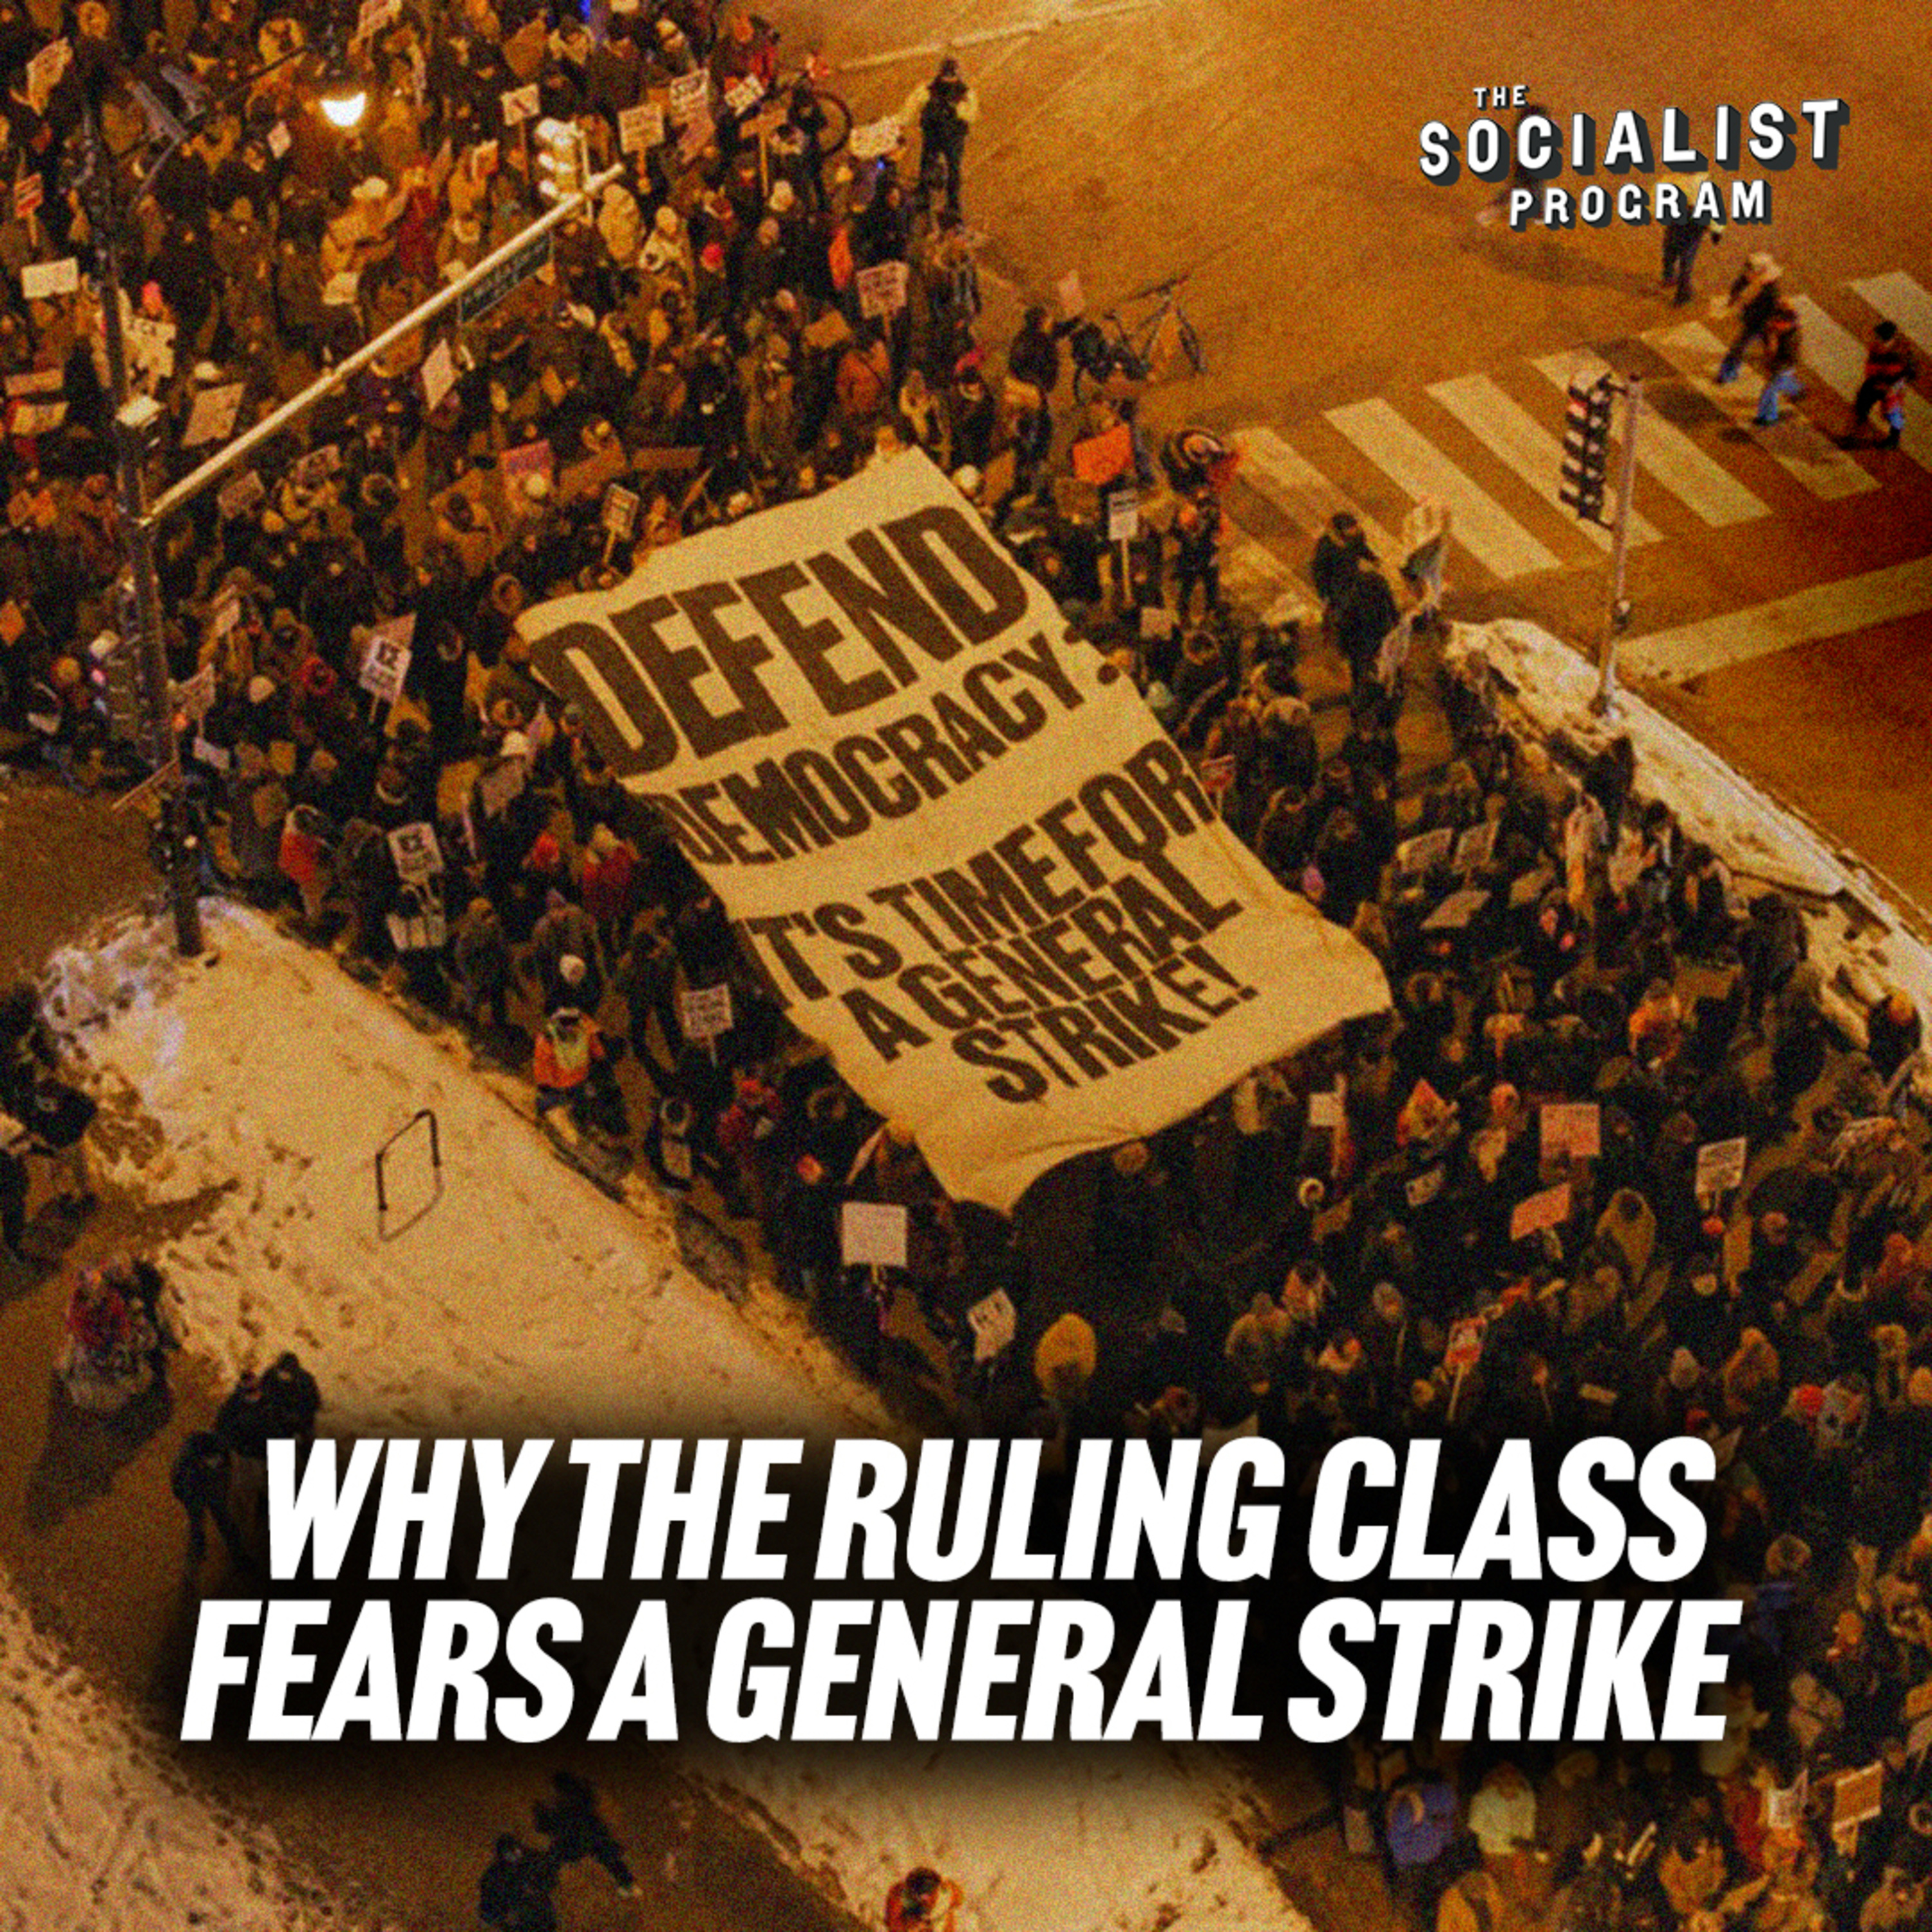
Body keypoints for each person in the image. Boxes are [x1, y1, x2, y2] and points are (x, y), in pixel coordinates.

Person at [533, 1771, 637, 1899]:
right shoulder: (579, 1798)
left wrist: (542, 1813)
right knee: (608, 1857)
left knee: (553, 1859)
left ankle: (538, 1887)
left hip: (577, 1836)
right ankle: (628, 1884)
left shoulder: (563, 1803)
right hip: (586, 1834)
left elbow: (545, 1827)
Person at [171, 1430, 253, 1574]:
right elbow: (181, 1488)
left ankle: (238, 1557)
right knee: (201, 1522)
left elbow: (225, 1473)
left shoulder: (219, 1451)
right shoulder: (186, 1471)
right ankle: (198, 1551)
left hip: (205, 1486)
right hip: (193, 1491)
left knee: (223, 1523)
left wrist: (221, 1494)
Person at [903, 57, 976, 217]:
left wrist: (902, 121)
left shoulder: (929, 89)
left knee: (933, 165)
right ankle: (950, 203)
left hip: (938, 135)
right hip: (949, 136)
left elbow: (911, 107)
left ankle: (930, 197)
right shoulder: (964, 93)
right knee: (950, 169)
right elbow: (971, 116)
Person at [1844, 319, 1916, 449]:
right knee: (1861, 406)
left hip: (1891, 387)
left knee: (1892, 413)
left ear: (1887, 340)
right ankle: (1855, 434)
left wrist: (1892, 388)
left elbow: (1908, 374)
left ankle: (1894, 439)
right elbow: (1872, 364)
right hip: (1875, 382)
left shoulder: (1900, 355)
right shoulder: (1877, 348)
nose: (1875, 339)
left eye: (1878, 338)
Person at [1715, 251, 1785, 384]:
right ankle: (1728, 373)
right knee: (1742, 347)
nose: (1747, 274)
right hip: (1752, 320)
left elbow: (1771, 314)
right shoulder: (1748, 279)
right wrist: (1734, 300)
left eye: (1752, 271)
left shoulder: (1772, 292)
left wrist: (1770, 332)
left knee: (1740, 347)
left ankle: (1727, 373)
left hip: (1759, 324)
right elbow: (1737, 287)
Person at [1660, 168, 1724, 305]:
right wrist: (1716, 230)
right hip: (1684, 219)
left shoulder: (1677, 178)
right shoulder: (1676, 178)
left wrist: (1716, 229)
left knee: (1676, 253)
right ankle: (1674, 283)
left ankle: (1680, 289)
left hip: (1689, 221)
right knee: (1676, 253)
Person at [478, 1833, 558, 1932]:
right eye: (508, 1852)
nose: (513, 1855)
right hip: (516, 1919)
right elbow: (489, 1901)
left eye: (514, 1850)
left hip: (538, 1917)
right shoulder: (495, 1875)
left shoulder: (533, 1862)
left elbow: (550, 1879)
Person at [1753, 296, 1806, 426]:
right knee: (1776, 387)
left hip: (1784, 367)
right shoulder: (1778, 327)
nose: (1775, 324)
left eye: (1779, 323)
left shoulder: (1791, 339)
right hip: (1779, 366)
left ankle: (1769, 417)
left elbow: (1786, 358)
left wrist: (1772, 357)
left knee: (1769, 391)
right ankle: (1797, 389)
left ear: (1787, 324)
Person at [886, 1865, 962, 1931]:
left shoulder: (949, 1893)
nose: (925, 1900)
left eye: (930, 1894)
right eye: (919, 1896)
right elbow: (893, 1925)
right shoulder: (899, 1894)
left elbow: (958, 1901)